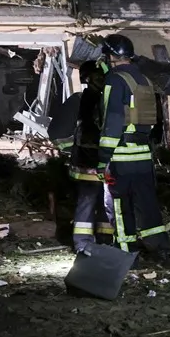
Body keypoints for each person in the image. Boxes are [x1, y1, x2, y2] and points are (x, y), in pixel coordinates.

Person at [98, 33, 170, 260]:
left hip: (122, 157)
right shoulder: (144, 80)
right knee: (147, 204)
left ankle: (126, 252)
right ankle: (160, 247)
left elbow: (113, 120)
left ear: (111, 56)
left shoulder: (115, 79)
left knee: (121, 206)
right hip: (143, 156)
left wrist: (103, 159)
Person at [48, 61, 114, 253]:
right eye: (97, 76)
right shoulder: (79, 100)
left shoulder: (109, 100)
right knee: (87, 202)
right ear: (87, 78)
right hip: (86, 166)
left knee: (105, 204)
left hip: (105, 165)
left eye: (103, 75)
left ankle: (104, 240)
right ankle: (83, 244)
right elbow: (57, 133)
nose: (102, 79)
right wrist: (72, 150)